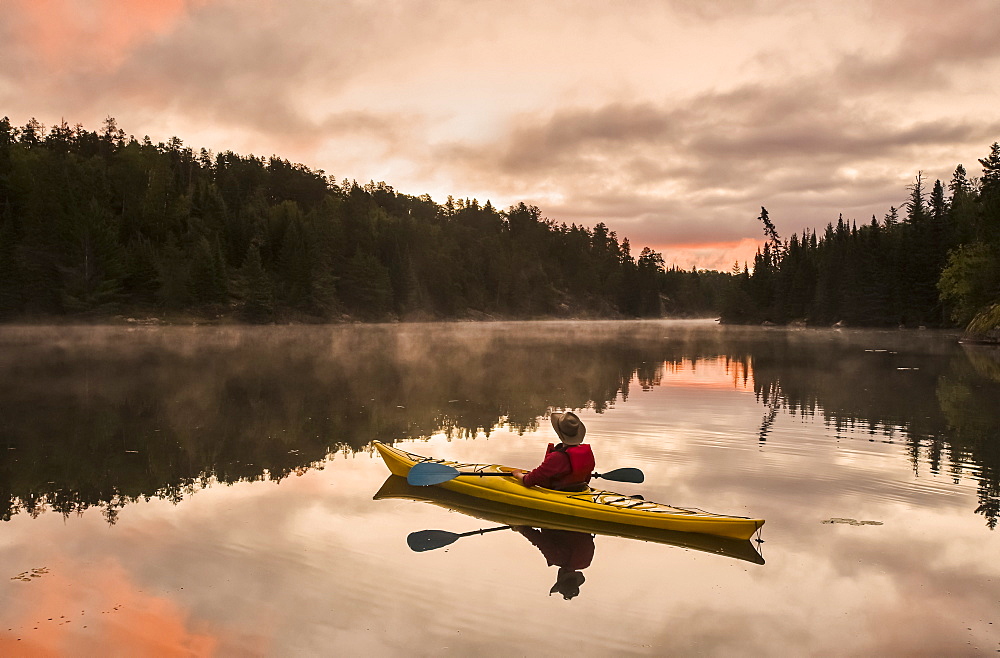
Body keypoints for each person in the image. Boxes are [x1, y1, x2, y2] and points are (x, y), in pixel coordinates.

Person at [511, 411, 595, 491]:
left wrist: (518, 474)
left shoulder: (557, 457)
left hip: (560, 493)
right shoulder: (586, 453)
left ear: (559, 434)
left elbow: (528, 481)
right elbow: (586, 478)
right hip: (578, 491)